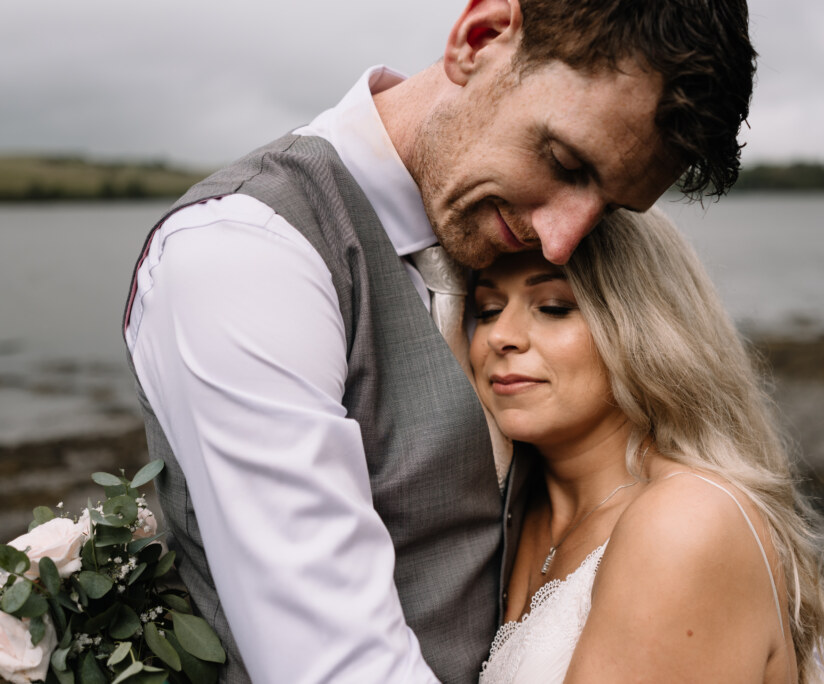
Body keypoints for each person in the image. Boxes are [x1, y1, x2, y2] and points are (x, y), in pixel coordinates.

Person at [121, 1, 756, 682]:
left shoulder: (497, 226)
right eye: (566, 162)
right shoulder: (246, 253)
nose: (565, 237)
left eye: (609, 207)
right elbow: (338, 667)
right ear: (479, 37)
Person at [471, 209, 824, 683]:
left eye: (554, 307)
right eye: (487, 310)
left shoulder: (687, 521)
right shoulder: (512, 505)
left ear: (643, 325)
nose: (500, 336)